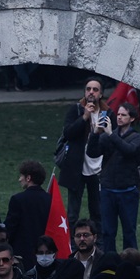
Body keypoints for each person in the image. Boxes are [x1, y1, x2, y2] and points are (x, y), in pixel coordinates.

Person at [87, 101, 140, 252]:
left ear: (131, 118)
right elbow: (92, 153)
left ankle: (131, 263)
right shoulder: (108, 136)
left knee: (129, 232)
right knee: (107, 232)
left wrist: (110, 135)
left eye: (123, 115)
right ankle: (109, 263)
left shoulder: (137, 138)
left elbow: (129, 150)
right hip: (108, 190)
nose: (119, 117)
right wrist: (94, 133)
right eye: (118, 114)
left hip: (128, 191)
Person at [59, 78, 105, 226]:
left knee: (97, 211)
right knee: (72, 213)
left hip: (97, 169)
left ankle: (98, 243)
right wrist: (84, 117)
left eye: (95, 89)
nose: (91, 92)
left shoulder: (106, 112)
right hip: (76, 168)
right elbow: (68, 133)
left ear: (101, 94)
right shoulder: (76, 109)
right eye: (88, 89)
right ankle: (71, 244)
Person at [5, 160, 51, 270]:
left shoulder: (17, 200)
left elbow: (9, 229)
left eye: (21, 176)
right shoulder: (50, 199)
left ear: (28, 178)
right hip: (45, 253)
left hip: (22, 255)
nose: (19, 179)